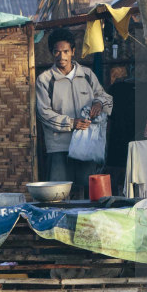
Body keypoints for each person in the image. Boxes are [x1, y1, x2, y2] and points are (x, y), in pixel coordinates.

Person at [35, 28, 113, 196]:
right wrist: (71, 123)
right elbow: (43, 112)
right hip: (59, 146)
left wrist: (99, 103)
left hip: (86, 144)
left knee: (89, 191)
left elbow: (105, 97)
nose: (61, 56)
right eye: (57, 52)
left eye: (65, 51)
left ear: (73, 52)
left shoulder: (87, 74)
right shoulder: (45, 80)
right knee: (58, 194)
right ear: (51, 53)